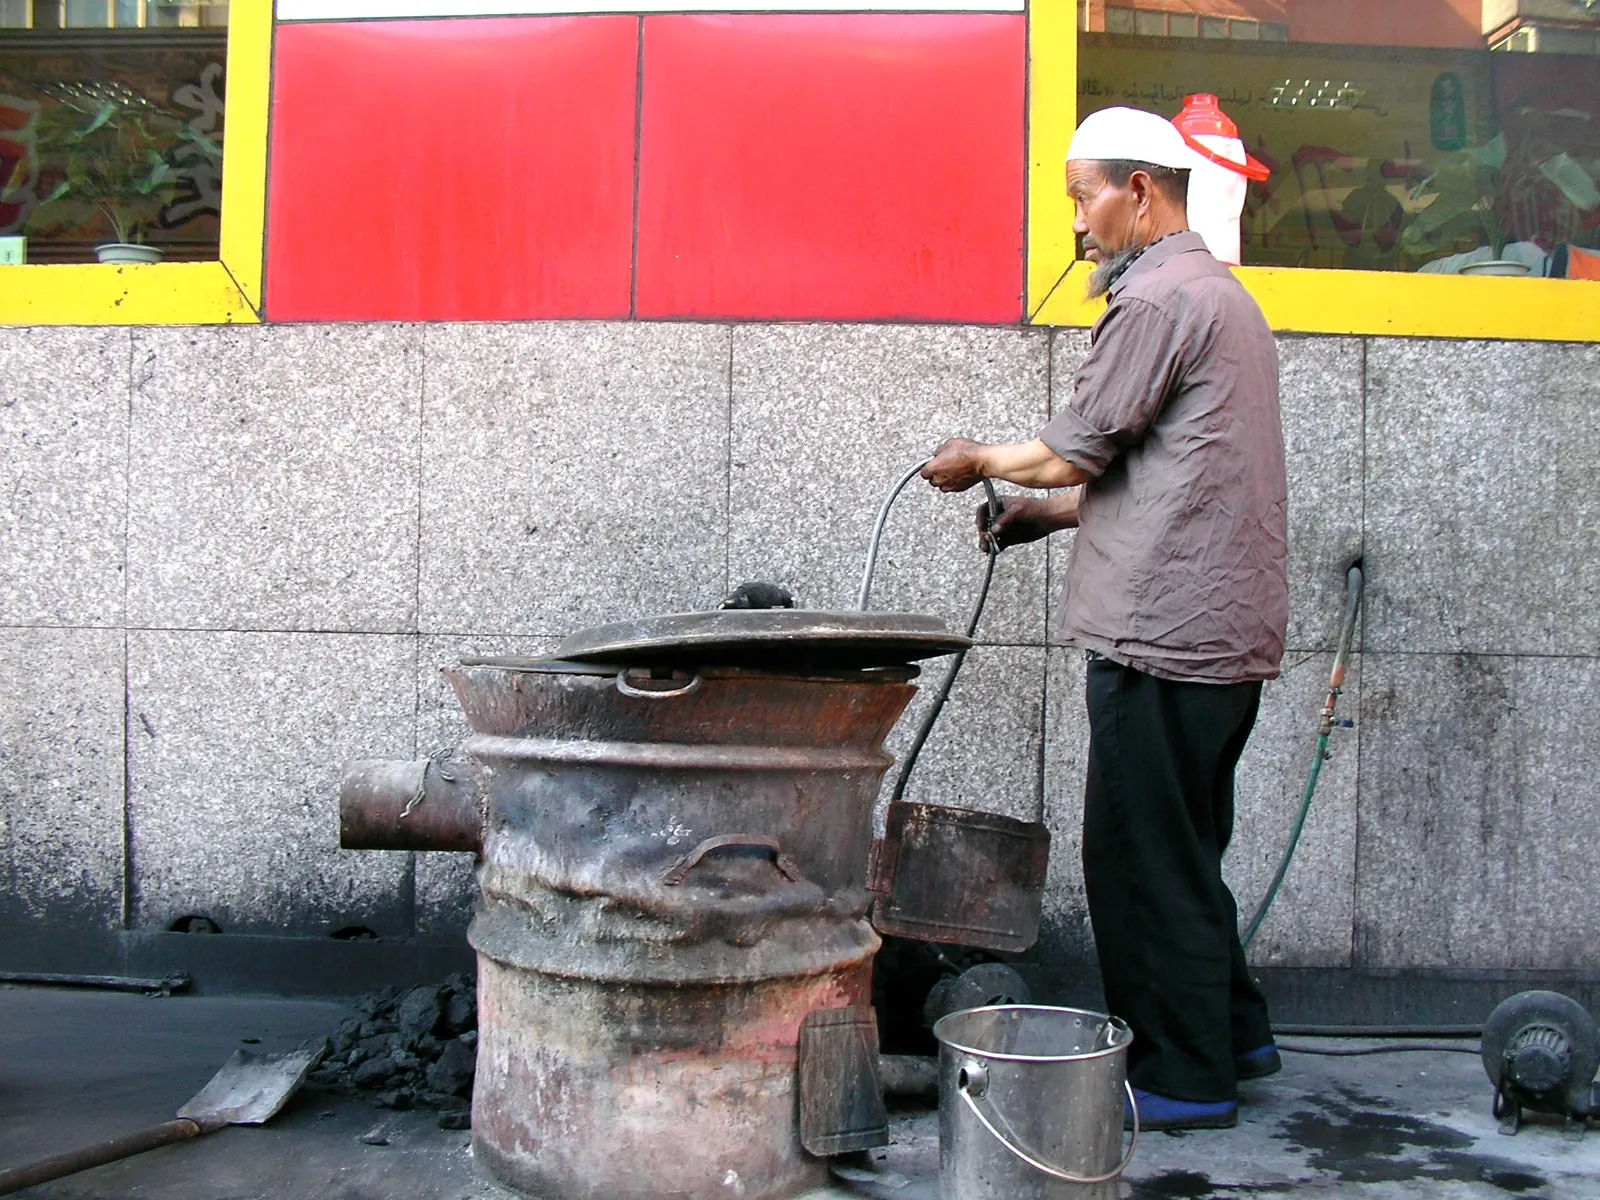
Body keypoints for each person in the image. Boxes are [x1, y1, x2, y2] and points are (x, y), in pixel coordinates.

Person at [920, 106, 1289, 1131]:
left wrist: (982, 463)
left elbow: (1072, 445)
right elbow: (1163, 470)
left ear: (1139, 192)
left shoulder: (1159, 299)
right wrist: (1043, 516)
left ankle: (1179, 1076)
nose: (1077, 224)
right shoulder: (1221, 297)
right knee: (1183, 845)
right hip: (1218, 633)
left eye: (1084, 198)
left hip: (1162, 636)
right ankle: (1235, 1032)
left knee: (1136, 857)